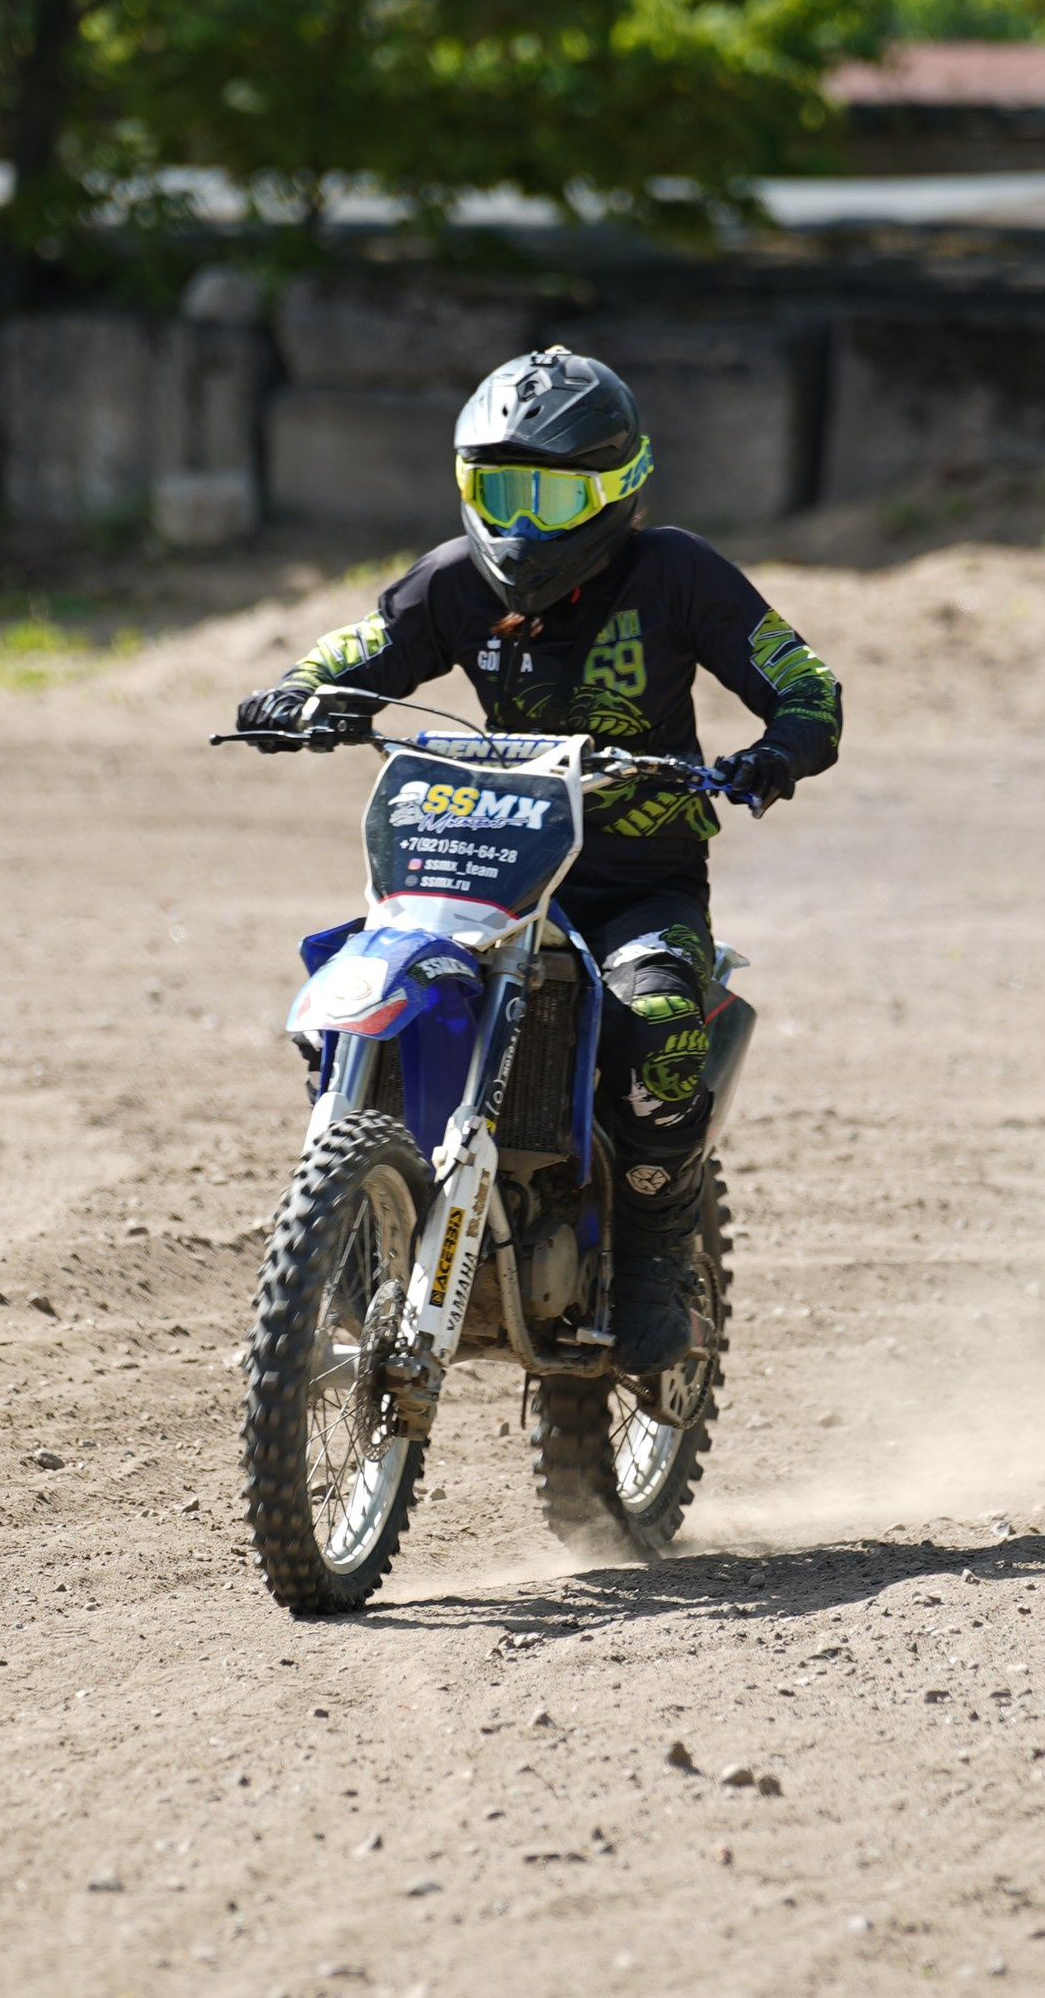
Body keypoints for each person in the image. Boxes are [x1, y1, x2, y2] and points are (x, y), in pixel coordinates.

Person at [234, 344, 841, 1370]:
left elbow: (804, 681)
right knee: (347, 989)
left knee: (658, 1030)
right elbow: (358, 649)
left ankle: (654, 1265)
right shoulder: (454, 584)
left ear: (618, 487)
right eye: (501, 488)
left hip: (633, 884)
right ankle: (352, 1203)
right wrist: (297, 694)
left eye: (553, 494)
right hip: (485, 866)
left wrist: (774, 753)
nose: (523, 522)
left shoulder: (677, 575)